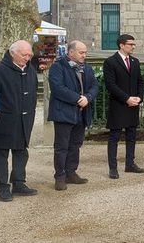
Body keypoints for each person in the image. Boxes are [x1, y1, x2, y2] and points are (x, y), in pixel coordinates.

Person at [0, 40, 39, 201]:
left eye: (30, 55)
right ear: (12, 53)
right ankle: (3, 187)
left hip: (25, 119)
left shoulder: (30, 71)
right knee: (1, 153)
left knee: (21, 152)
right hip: (4, 120)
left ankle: (19, 182)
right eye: (24, 55)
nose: (27, 58)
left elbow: (34, 94)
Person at [47, 40, 98, 191]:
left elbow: (95, 85)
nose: (84, 55)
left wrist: (88, 97)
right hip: (64, 112)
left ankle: (71, 172)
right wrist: (77, 99)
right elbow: (57, 88)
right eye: (81, 52)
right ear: (70, 52)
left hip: (81, 113)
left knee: (75, 145)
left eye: (85, 52)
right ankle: (60, 177)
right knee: (62, 146)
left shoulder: (86, 68)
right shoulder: (58, 67)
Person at [102, 34, 144, 179]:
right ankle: (113, 168)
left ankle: (130, 164)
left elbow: (140, 81)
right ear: (121, 45)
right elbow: (111, 85)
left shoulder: (135, 61)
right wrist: (126, 98)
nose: (133, 47)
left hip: (133, 104)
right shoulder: (110, 62)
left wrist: (139, 97)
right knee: (114, 137)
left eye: (134, 44)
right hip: (119, 105)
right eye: (130, 44)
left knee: (131, 135)